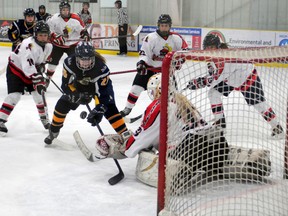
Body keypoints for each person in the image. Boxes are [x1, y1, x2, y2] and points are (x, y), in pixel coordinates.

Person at [94, 74, 229, 185]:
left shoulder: (158, 106)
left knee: (147, 153)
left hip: (190, 153)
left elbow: (144, 136)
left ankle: (180, 172)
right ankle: (216, 166)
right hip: (217, 148)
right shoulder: (182, 99)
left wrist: (125, 149)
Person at [187, 34, 284, 138]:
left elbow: (216, 78)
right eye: (207, 47)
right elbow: (213, 75)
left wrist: (200, 82)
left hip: (247, 77)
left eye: (212, 47)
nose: (209, 49)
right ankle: (220, 124)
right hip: (232, 78)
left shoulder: (227, 57)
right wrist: (200, 82)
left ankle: (277, 128)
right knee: (213, 93)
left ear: (218, 46)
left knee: (259, 104)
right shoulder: (211, 58)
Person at [44, 41, 129, 144]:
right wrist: (75, 95)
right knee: (62, 104)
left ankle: (126, 136)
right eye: (82, 60)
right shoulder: (69, 63)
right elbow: (65, 85)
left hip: (98, 88)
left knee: (110, 109)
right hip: (79, 86)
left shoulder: (101, 69)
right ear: (76, 58)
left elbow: (104, 94)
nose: (85, 63)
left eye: (88, 59)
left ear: (93, 57)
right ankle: (54, 131)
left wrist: (100, 108)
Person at [120, 14, 188, 117]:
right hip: (150, 69)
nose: (164, 27)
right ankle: (128, 108)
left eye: (166, 25)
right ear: (158, 26)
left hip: (165, 71)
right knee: (135, 88)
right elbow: (144, 53)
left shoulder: (176, 38)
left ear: (170, 26)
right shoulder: (151, 37)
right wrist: (141, 64)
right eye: (162, 25)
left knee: (173, 94)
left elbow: (183, 52)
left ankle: (176, 112)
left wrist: (179, 62)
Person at [0, 21, 53, 136]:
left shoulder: (49, 46)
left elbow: (42, 60)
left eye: (45, 35)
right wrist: (37, 77)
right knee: (15, 95)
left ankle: (45, 119)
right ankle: (1, 120)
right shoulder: (28, 45)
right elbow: (27, 66)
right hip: (16, 70)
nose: (43, 38)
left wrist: (41, 65)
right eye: (40, 35)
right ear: (35, 35)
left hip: (30, 70)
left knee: (39, 94)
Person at [45, 1, 89, 81]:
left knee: (76, 64)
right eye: (63, 10)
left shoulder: (76, 18)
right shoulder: (54, 18)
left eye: (67, 9)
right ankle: (47, 79)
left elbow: (82, 30)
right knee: (52, 64)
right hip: (57, 45)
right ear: (60, 10)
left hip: (72, 45)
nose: (66, 11)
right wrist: (55, 36)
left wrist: (85, 34)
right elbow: (48, 29)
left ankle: (77, 81)